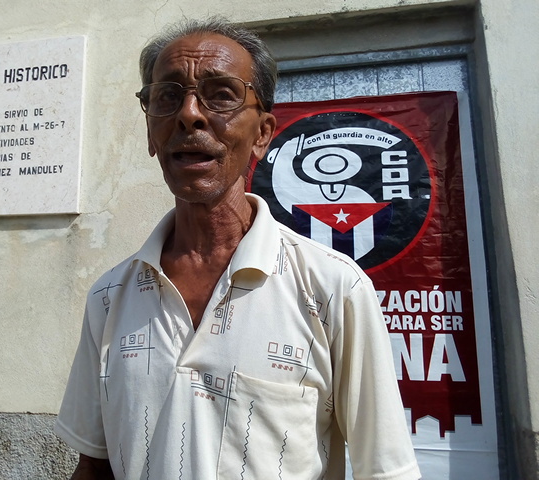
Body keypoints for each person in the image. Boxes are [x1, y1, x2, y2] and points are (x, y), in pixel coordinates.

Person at [55, 17, 421, 480]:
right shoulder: (109, 298)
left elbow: (385, 470)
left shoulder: (332, 288)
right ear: (151, 132)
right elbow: (94, 465)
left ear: (264, 133)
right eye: (167, 96)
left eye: (221, 94)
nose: (190, 114)